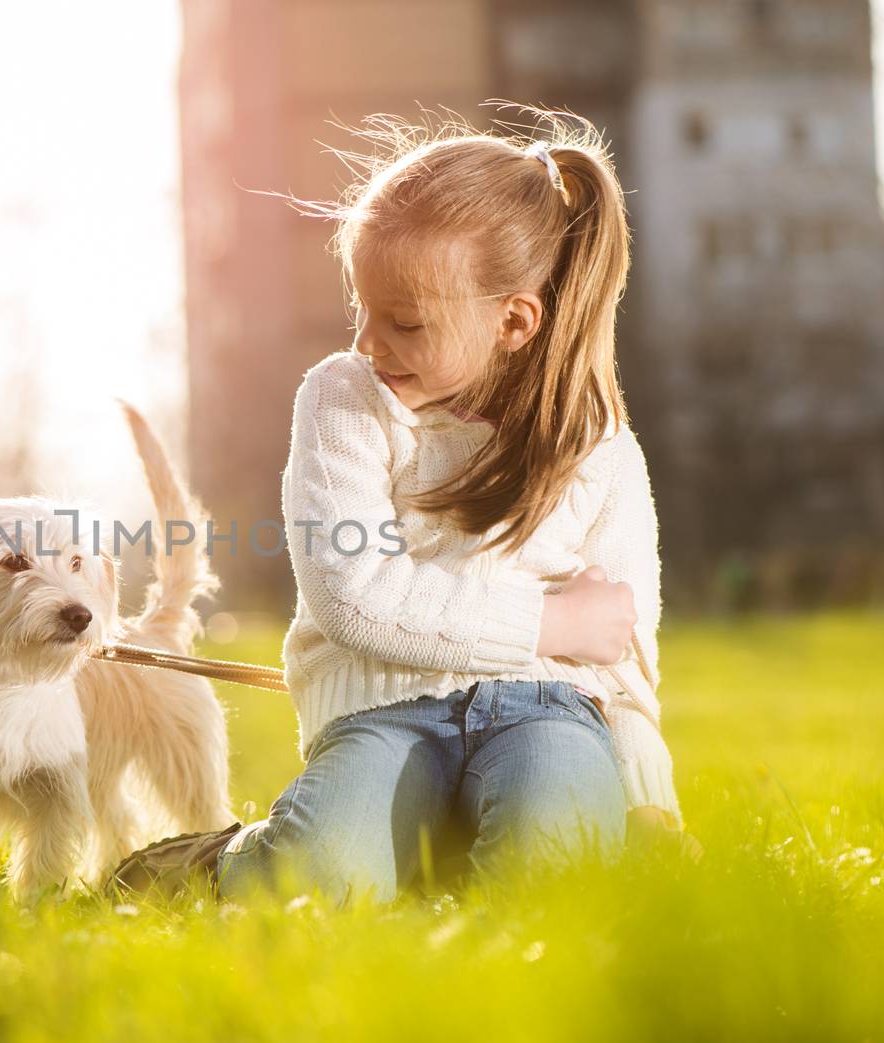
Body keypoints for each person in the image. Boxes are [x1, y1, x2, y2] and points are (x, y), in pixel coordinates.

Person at [115, 109, 685, 902]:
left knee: (559, 885)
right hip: (385, 710)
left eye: (405, 323)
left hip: (550, 712)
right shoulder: (344, 402)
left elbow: (625, 653)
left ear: (514, 320)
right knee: (318, 885)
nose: (369, 342)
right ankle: (211, 863)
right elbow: (357, 598)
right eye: (363, 309)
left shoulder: (600, 448)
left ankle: (446, 855)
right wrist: (551, 625)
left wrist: (649, 797)